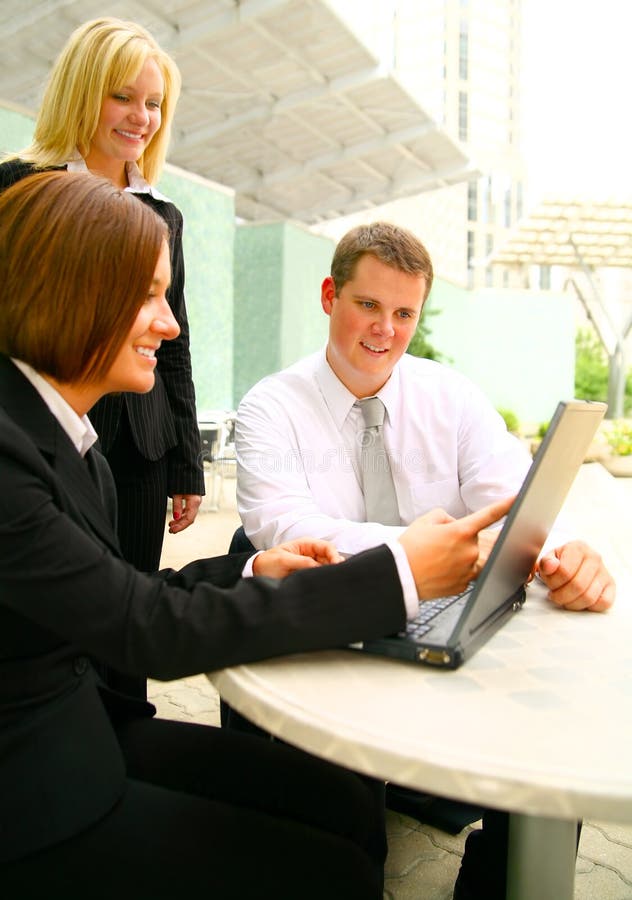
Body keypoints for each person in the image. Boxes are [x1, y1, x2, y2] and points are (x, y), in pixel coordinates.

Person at [0, 171, 518, 898]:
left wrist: (246, 572)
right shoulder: (9, 454)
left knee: (348, 806)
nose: (171, 324)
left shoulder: (64, 436)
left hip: (82, 732)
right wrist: (401, 571)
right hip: (34, 791)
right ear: (72, 292)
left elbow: (115, 592)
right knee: (330, 869)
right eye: (149, 295)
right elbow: (143, 629)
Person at [234, 220, 615, 897]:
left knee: (543, 742)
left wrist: (558, 557)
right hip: (332, 626)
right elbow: (283, 528)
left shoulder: (452, 398)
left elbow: (510, 498)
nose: (386, 330)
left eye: (405, 312)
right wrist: (409, 557)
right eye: (368, 305)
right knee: (345, 822)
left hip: (441, 607)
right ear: (329, 295)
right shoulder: (271, 407)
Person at [0, 16, 204, 577]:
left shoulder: (163, 215)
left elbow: (175, 344)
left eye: (155, 103)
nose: (142, 117)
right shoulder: (16, 189)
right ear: (82, 92)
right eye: (122, 97)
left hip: (142, 448)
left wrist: (188, 463)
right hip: (40, 437)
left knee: (129, 623)